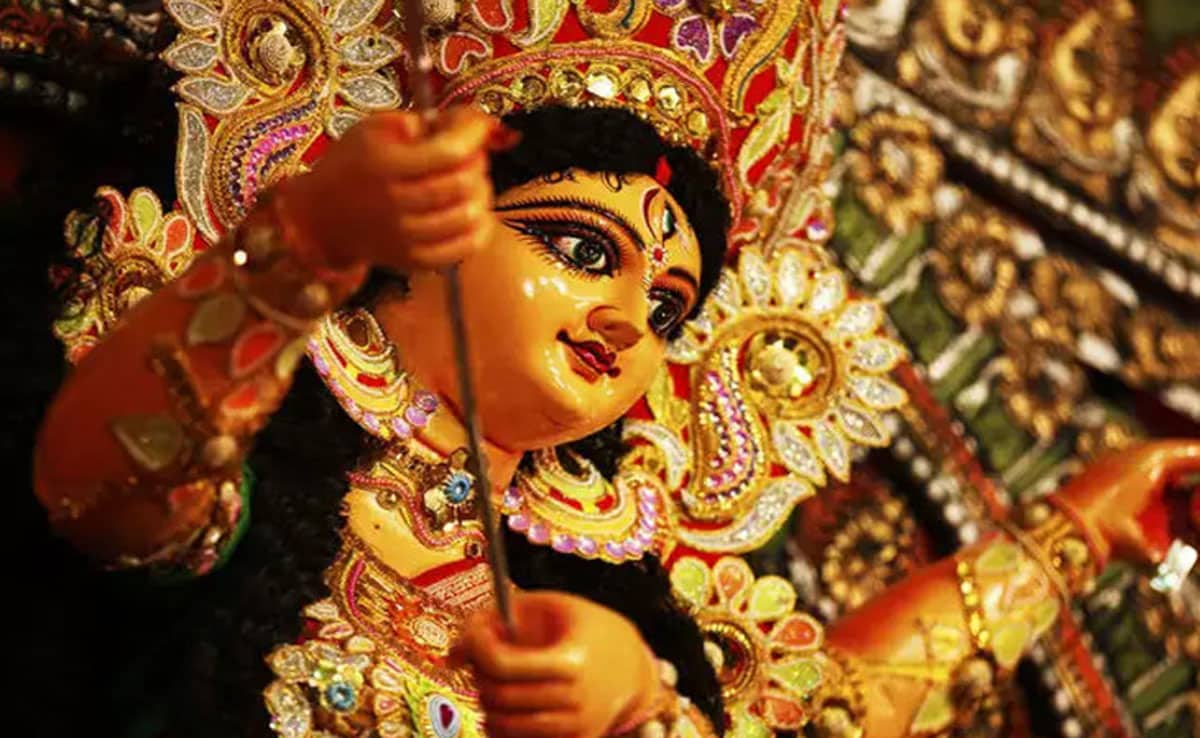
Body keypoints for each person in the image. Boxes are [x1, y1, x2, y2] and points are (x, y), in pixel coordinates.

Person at [32, 1, 1199, 737]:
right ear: (423, 219)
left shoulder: (606, 613)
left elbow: (828, 711)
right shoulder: (264, 484)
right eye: (585, 249)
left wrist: (1088, 524)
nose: (628, 316)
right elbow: (103, 481)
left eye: (673, 302)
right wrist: (307, 242)